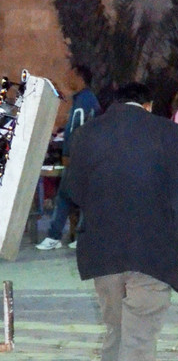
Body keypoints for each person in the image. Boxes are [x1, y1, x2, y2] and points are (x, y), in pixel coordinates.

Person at [61, 81, 178, 361]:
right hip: (154, 250)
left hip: (103, 251)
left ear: (115, 104)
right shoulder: (168, 133)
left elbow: (73, 190)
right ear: (148, 105)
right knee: (138, 337)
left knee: (116, 331)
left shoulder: (87, 134)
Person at [37, 65, 100, 251]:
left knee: (66, 196)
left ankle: (55, 236)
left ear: (80, 78)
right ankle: (80, 237)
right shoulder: (85, 100)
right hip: (84, 157)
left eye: (70, 74)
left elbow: (76, 130)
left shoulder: (84, 102)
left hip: (78, 158)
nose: (67, 77)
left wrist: (68, 154)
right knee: (81, 197)